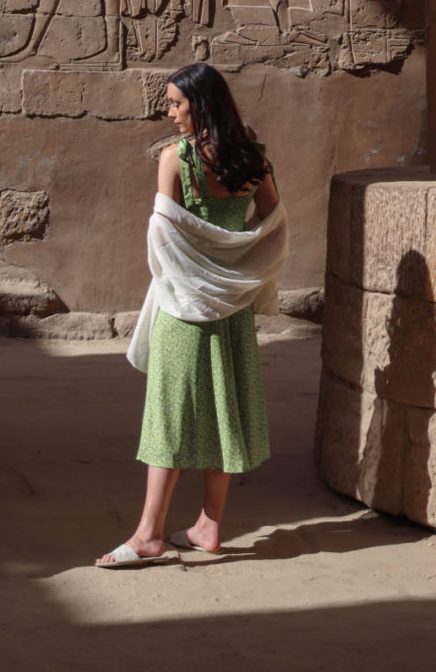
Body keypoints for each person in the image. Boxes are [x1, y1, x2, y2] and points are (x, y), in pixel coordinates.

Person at [97, 63, 287, 567]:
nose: (170, 112)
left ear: (200, 105)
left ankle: (148, 535)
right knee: (222, 408)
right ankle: (208, 525)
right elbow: (274, 222)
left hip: (184, 305)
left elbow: (163, 236)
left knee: (170, 413)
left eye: (176, 103)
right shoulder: (254, 159)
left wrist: (195, 269)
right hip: (232, 306)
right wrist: (236, 264)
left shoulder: (176, 158)